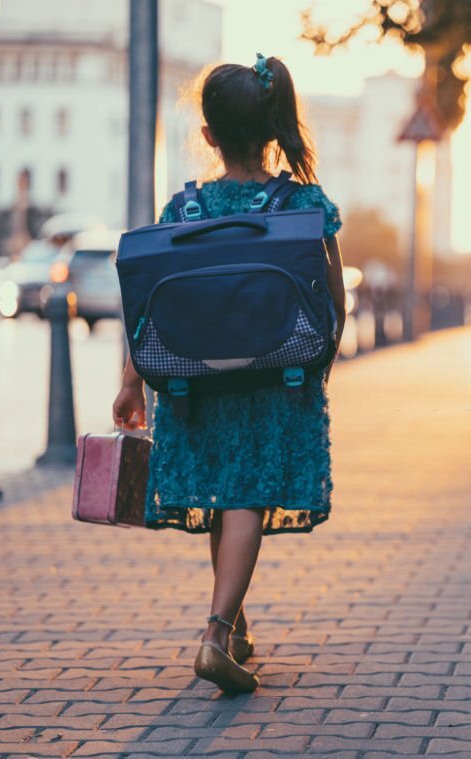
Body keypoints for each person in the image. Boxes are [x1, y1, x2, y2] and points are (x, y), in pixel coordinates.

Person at [111, 54, 347, 694]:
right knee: (246, 495)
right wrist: (317, 367)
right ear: (272, 129)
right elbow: (331, 300)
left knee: (222, 495)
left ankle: (235, 623)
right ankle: (217, 633)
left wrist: (132, 383)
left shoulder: (184, 210)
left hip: (192, 382)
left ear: (209, 134)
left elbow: (146, 308)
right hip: (275, 379)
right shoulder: (303, 204)